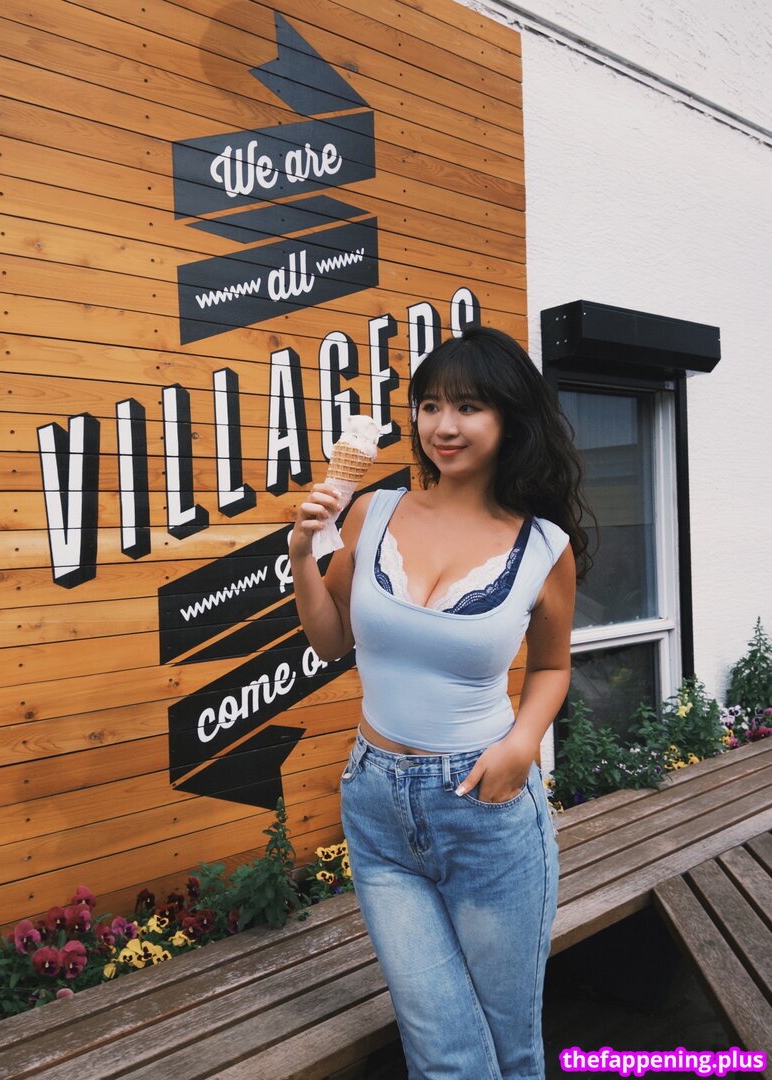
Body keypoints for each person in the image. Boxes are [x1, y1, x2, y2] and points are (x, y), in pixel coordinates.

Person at [289, 324, 595, 1080]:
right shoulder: (373, 511)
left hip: (484, 805)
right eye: (430, 406)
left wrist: (521, 745)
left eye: (468, 407)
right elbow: (331, 642)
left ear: (510, 419)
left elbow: (551, 666)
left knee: (510, 1044)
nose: (444, 426)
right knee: (442, 1051)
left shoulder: (545, 547)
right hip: (376, 806)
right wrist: (301, 553)